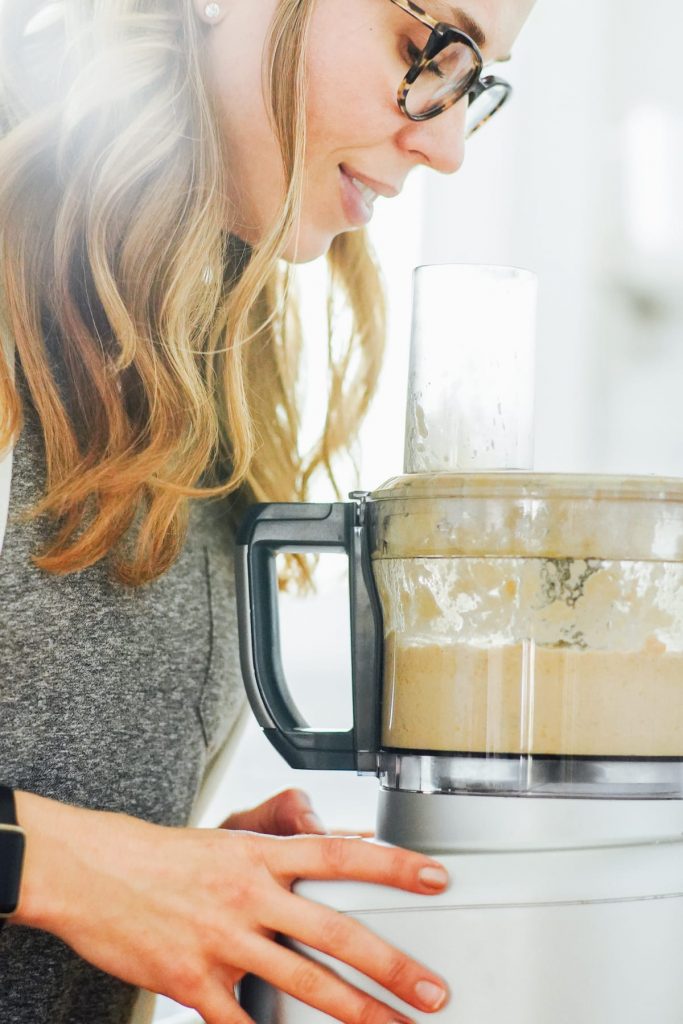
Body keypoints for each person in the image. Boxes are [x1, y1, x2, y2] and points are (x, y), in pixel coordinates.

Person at [0, 1, 534, 1022]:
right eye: (432, 48)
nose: (450, 144)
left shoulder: (188, 346)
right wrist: (76, 866)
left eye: (479, 83)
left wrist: (179, 861)